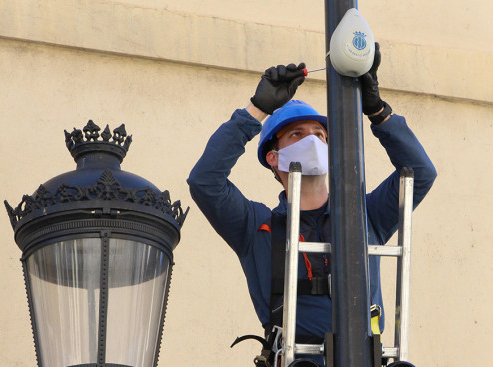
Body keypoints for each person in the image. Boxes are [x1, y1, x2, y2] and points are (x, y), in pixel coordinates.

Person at [187, 44, 436, 366]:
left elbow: (420, 173)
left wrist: (377, 110)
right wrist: (256, 111)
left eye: (320, 134)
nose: (313, 140)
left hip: (366, 357)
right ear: (274, 158)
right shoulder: (257, 225)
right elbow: (205, 182)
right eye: (297, 134)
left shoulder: (366, 215)